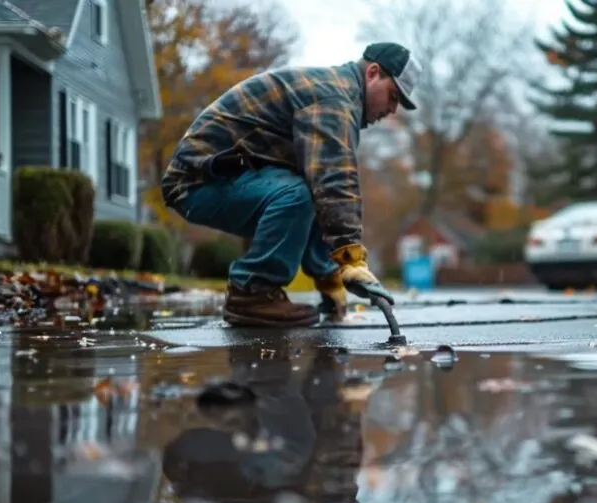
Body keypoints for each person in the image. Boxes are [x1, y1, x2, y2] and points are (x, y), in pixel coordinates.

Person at [160, 42, 423, 327]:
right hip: (198, 181)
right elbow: (334, 181)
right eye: (393, 96)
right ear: (373, 73)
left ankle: (265, 288)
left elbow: (320, 187)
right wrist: (352, 258)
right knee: (297, 195)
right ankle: (251, 293)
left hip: (226, 175)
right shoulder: (333, 99)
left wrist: (329, 276)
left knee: (304, 191)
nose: (393, 109)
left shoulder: (336, 95)